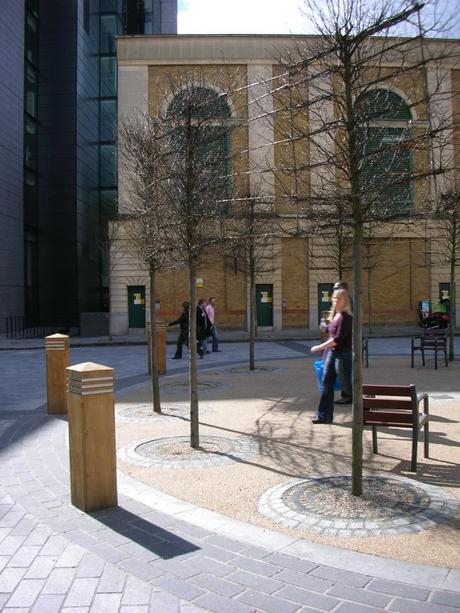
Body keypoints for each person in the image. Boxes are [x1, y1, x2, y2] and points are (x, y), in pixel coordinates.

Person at [310, 288, 353, 424]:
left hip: (342, 355)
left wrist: (319, 348)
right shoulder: (335, 315)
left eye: (338, 299)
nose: (335, 301)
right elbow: (330, 333)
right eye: (334, 298)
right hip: (332, 354)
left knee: (347, 387)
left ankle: (364, 410)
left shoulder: (346, 318)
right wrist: (324, 326)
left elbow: (338, 339)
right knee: (326, 384)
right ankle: (324, 416)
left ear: (345, 301)